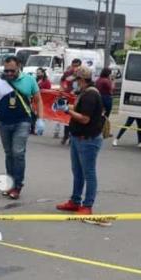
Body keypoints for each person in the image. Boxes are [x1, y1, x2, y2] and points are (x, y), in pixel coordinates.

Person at [0, 55, 45, 200]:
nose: (9, 74)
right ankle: (9, 184)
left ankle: (17, 186)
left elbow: (38, 101)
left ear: (19, 67)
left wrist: (40, 119)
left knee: (18, 153)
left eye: (12, 71)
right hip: (4, 122)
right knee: (9, 154)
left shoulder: (29, 80)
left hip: (22, 122)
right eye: (6, 71)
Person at [56, 67, 105, 216]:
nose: (75, 84)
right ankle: (75, 201)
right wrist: (64, 105)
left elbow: (85, 118)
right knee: (77, 172)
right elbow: (79, 108)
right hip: (78, 138)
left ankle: (87, 205)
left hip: (88, 140)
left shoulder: (90, 95)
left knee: (88, 173)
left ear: (82, 80)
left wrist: (67, 111)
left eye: (76, 80)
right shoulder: (84, 93)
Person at [56, 58, 82, 143]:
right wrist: (62, 88)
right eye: (73, 66)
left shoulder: (82, 74)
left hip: (77, 99)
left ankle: (72, 137)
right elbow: (62, 81)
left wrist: (77, 91)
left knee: (75, 118)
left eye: (77, 66)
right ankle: (65, 135)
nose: (75, 68)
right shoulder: (67, 73)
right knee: (66, 117)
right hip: (67, 97)